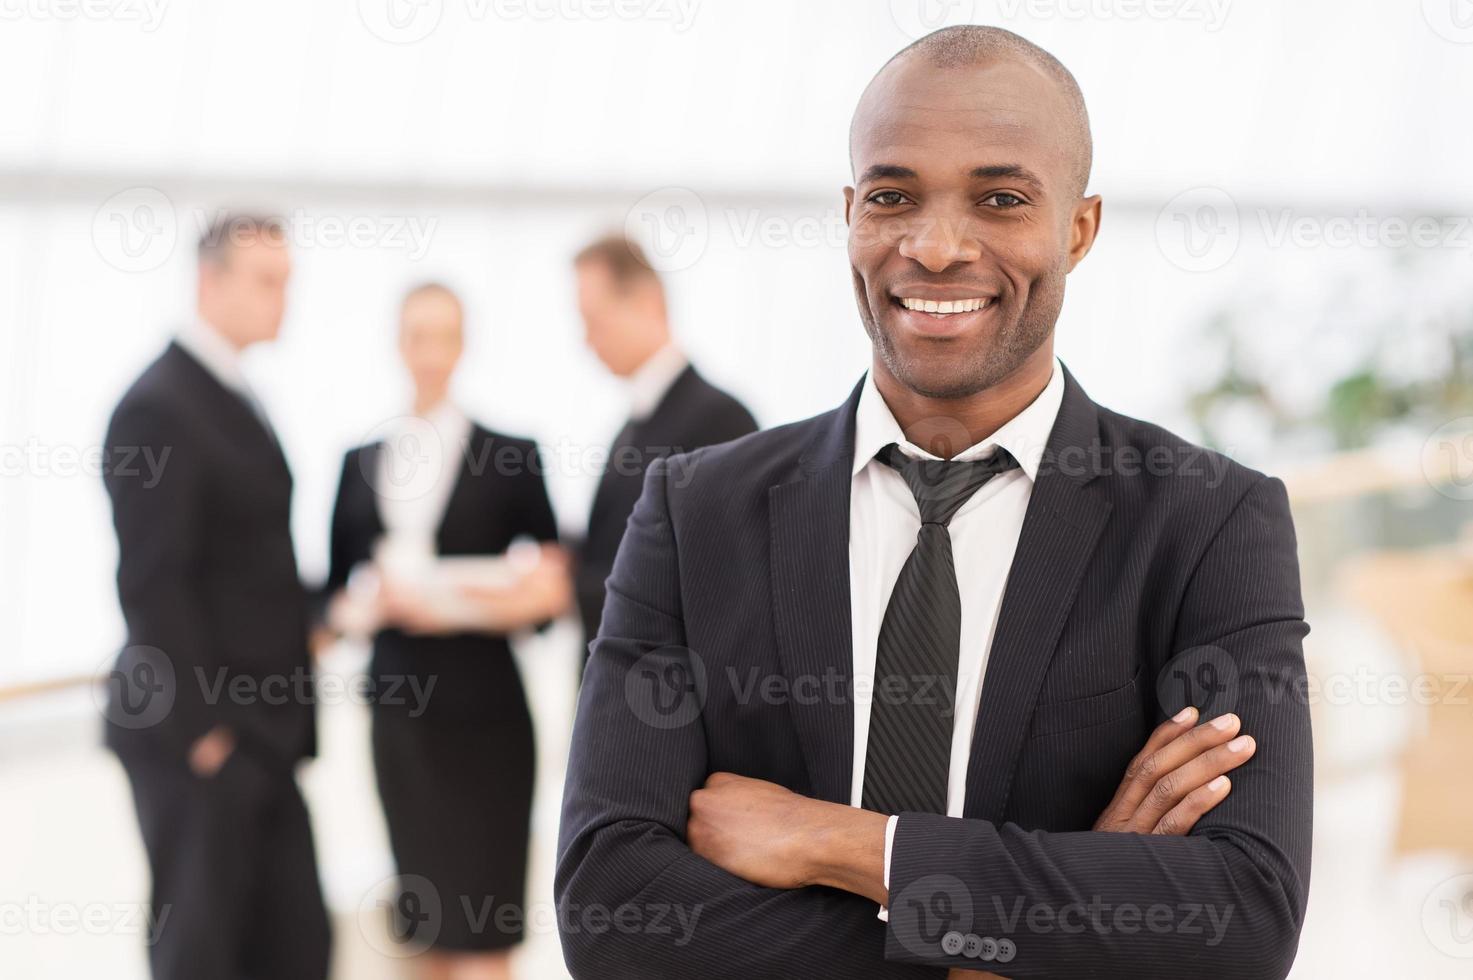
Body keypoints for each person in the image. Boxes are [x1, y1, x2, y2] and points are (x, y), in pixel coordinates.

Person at [556, 27, 1312, 980]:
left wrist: (852, 848)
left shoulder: (1207, 522)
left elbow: (1242, 918)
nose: (936, 246)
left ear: (1077, 228)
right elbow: (609, 911)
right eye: (892, 196)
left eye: (999, 199)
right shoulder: (695, 511)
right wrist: (1023, 937)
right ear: (849, 214)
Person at [102, 213, 330, 980]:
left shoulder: (237, 394)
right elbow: (150, 582)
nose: (283, 301)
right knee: (202, 952)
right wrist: (205, 735)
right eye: (267, 282)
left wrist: (331, 607)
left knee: (296, 944)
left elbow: (247, 565)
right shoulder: (159, 407)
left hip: (263, 732)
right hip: (201, 739)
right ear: (210, 282)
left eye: (288, 283)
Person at [322, 282, 568, 980]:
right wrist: (370, 606)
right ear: (397, 344)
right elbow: (334, 593)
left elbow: (550, 593)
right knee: (421, 921)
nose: (429, 351)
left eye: (443, 335)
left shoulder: (512, 454)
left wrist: (461, 601)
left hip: (486, 717)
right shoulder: (358, 462)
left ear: (464, 344)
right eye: (415, 335)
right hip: (401, 715)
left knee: (486, 928)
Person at [571, 235, 757, 669]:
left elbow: (711, 580)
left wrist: (568, 588)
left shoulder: (720, 419)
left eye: (593, 320)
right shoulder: (632, 424)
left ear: (648, 302)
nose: (587, 340)